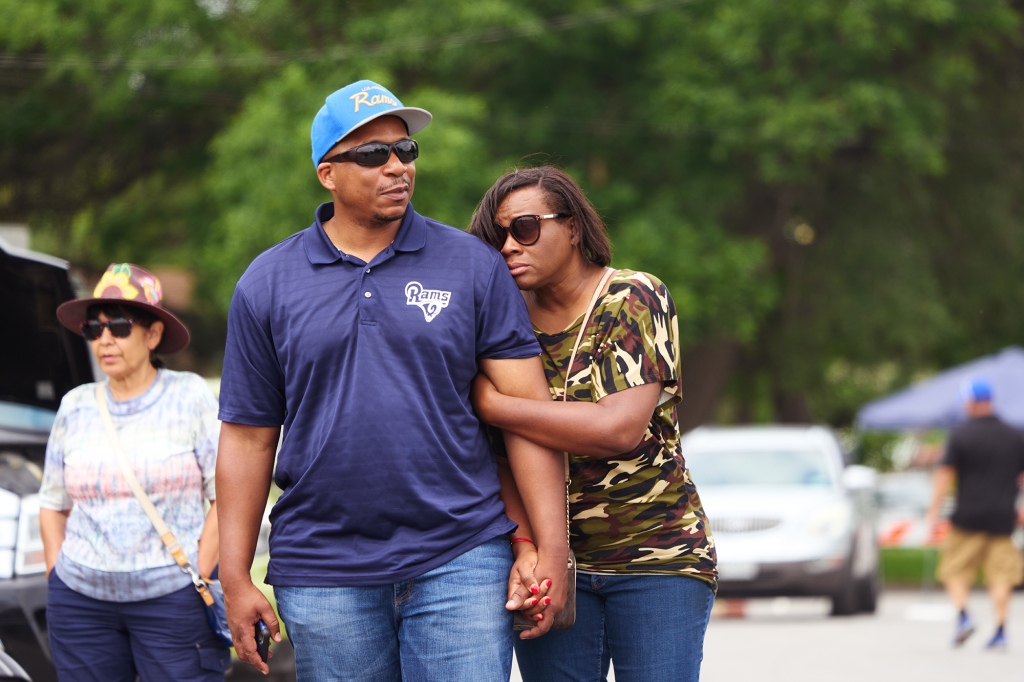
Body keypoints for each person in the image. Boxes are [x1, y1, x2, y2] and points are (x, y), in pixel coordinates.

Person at [215, 80, 568, 681]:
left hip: (460, 554)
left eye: (406, 151)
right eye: (373, 155)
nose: (397, 167)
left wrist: (551, 550)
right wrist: (234, 574)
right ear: (328, 173)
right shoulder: (266, 283)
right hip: (323, 567)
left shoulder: (472, 265)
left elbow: (529, 413)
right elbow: (248, 438)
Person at [467, 166, 718, 682]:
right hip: (548, 564)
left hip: (656, 555)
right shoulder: (498, 320)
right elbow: (499, 460)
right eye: (497, 237)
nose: (510, 246)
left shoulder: (633, 298)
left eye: (526, 228)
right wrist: (530, 549)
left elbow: (617, 429)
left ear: (574, 227)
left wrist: (495, 406)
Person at [39, 263, 228, 681]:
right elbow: (53, 504)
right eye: (94, 329)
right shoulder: (76, 405)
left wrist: (200, 568)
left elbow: (226, 497)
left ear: (153, 334)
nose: (105, 339)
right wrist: (57, 576)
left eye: (119, 326)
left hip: (173, 600)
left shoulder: (190, 396)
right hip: (81, 604)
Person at [926, 377, 1024, 650]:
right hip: (1004, 517)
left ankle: (964, 615)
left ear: (970, 402)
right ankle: (1001, 629)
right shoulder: (1014, 435)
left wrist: (933, 511)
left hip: (967, 517)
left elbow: (945, 475)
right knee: (1002, 575)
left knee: (954, 569)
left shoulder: (961, 434)